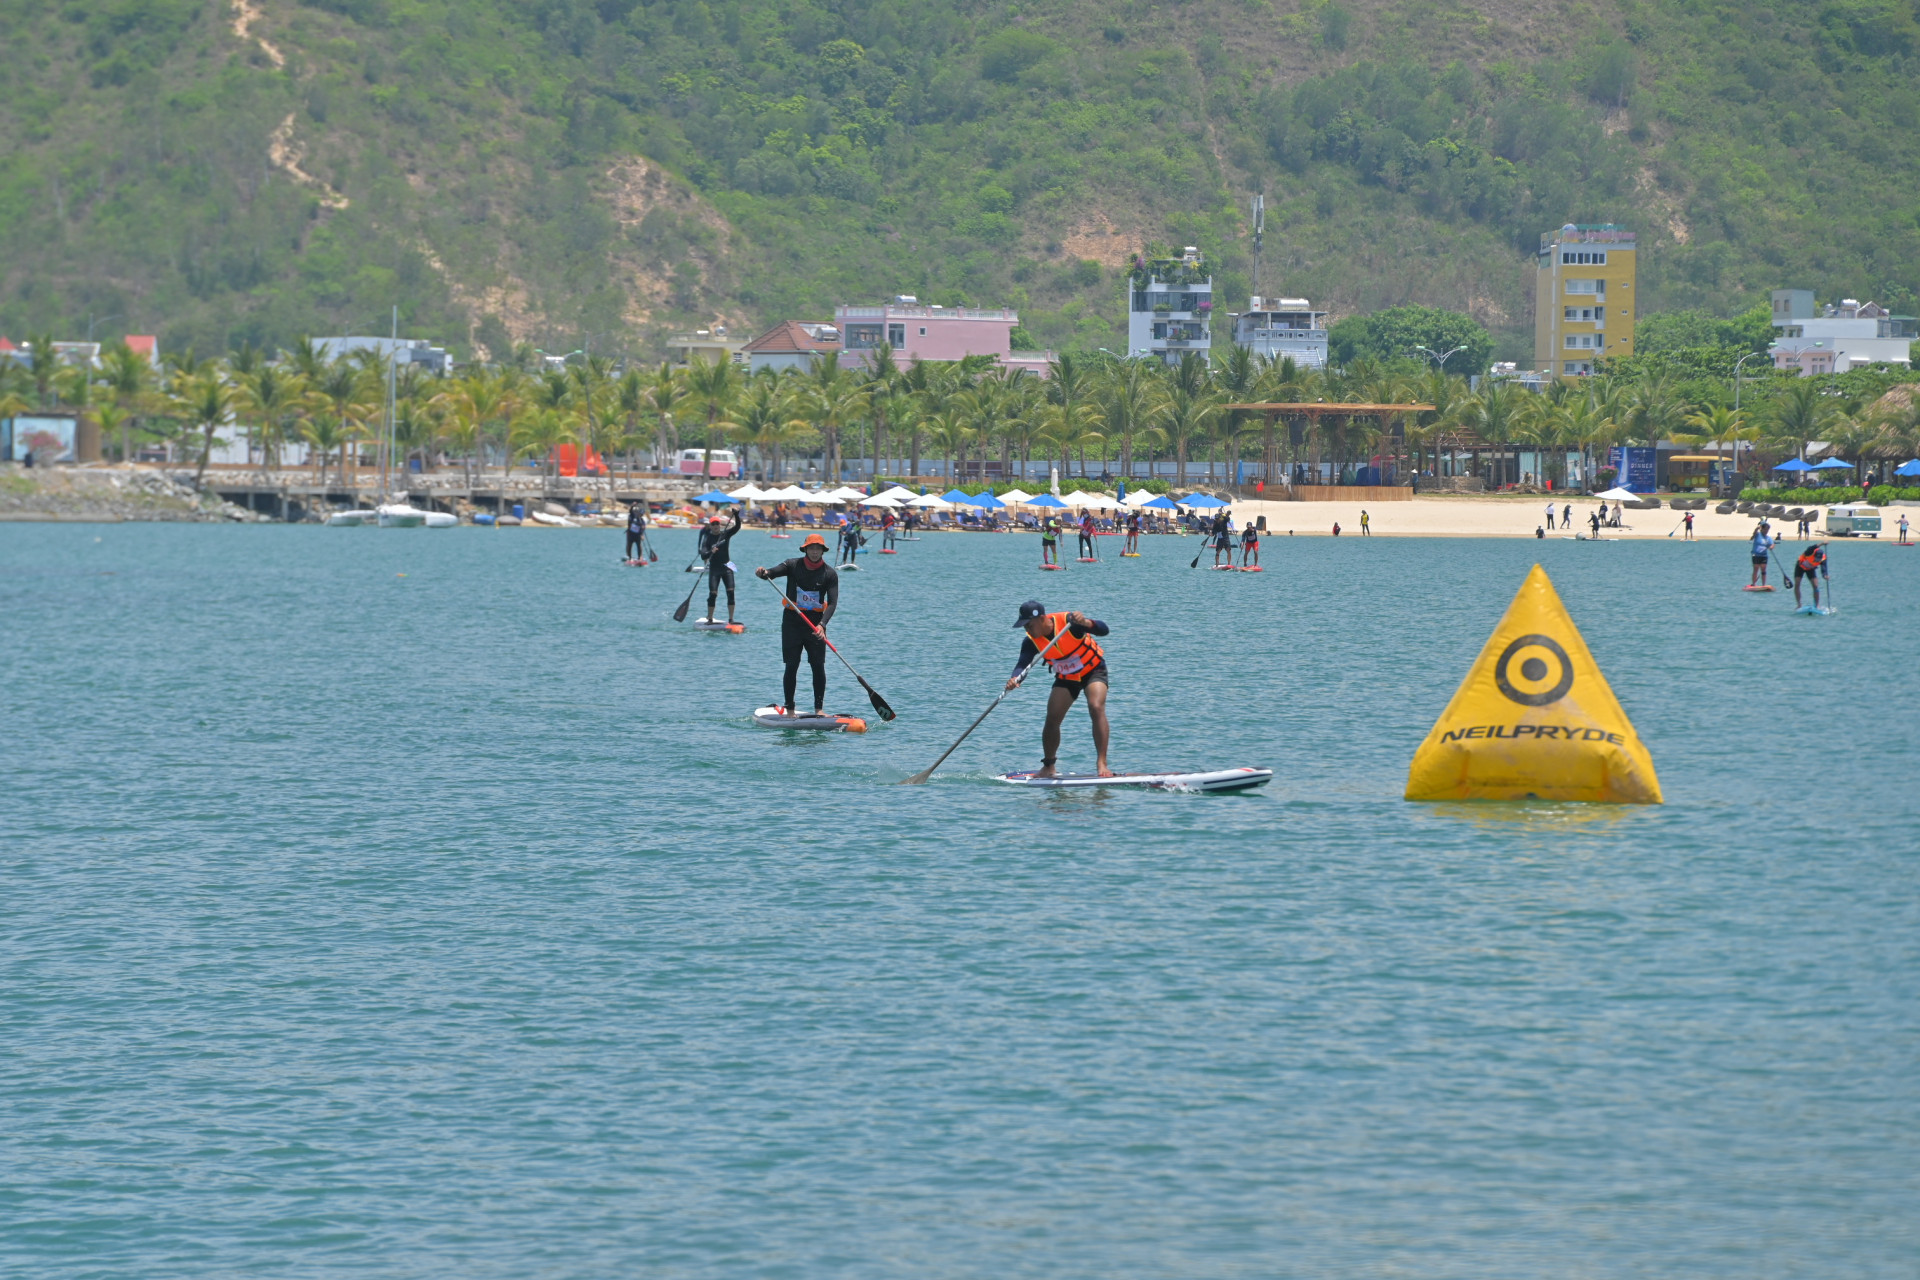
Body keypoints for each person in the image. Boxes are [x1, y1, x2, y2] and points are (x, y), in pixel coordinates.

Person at [1006, 600, 1112, 778]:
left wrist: (1086, 623)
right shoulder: (1031, 642)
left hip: (1093, 671)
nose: (1027, 630)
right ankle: (1048, 766)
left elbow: (1104, 630)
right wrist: (1015, 679)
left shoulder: (1070, 623)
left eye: (1029, 625)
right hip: (1067, 678)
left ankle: (1102, 763)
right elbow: (1022, 665)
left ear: (1042, 619)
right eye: (1024, 627)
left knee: (1096, 706)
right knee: (1053, 717)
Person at [756, 534, 839, 716]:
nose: (815, 552)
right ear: (805, 549)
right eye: (811, 548)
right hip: (792, 623)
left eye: (818, 548)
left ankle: (819, 709)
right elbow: (771, 573)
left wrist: (823, 625)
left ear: (823, 551)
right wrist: (764, 573)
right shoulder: (792, 565)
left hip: (815, 625)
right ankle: (790, 710)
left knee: (818, 666)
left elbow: (832, 603)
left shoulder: (830, 573)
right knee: (791, 665)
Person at [698, 507, 743, 624]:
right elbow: (703, 555)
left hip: (728, 567)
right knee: (713, 594)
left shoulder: (725, 534)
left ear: (720, 524)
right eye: (713, 524)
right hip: (714, 569)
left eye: (717, 523)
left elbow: (737, 527)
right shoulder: (707, 539)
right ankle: (710, 618)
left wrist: (736, 515)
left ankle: (731, 619)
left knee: (731, 593)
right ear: (710, 526)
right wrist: (710, 552)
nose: (716, 526)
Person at [1792, 542, 1827, 609]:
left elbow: (1824, 568)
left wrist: (1825, 575)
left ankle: (1817, 605)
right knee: (1797, 584)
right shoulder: (1810, 551)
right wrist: (1822, 543)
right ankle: (1799, 604)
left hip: (1810, 569)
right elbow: (1814, 546)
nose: (1816, 560)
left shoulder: (1823, 558)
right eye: (1816, 558)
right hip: (1800, 566)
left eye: (1818, 560)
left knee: (1816, 586)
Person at [1749, 522, 1774, 586]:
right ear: (1762, 529)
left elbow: (1772, 544)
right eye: (1765, 529)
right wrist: (1756, 529)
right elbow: (1754, 534)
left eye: (1767, 530)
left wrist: (1771, 547)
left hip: (1764, 555)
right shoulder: (1758, 535)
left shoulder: (1768, 538)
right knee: (1756, 568)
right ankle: (1754, 584)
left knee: (1763, 569)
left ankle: (1763, 584)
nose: (1766, 531)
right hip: (1756, 555)